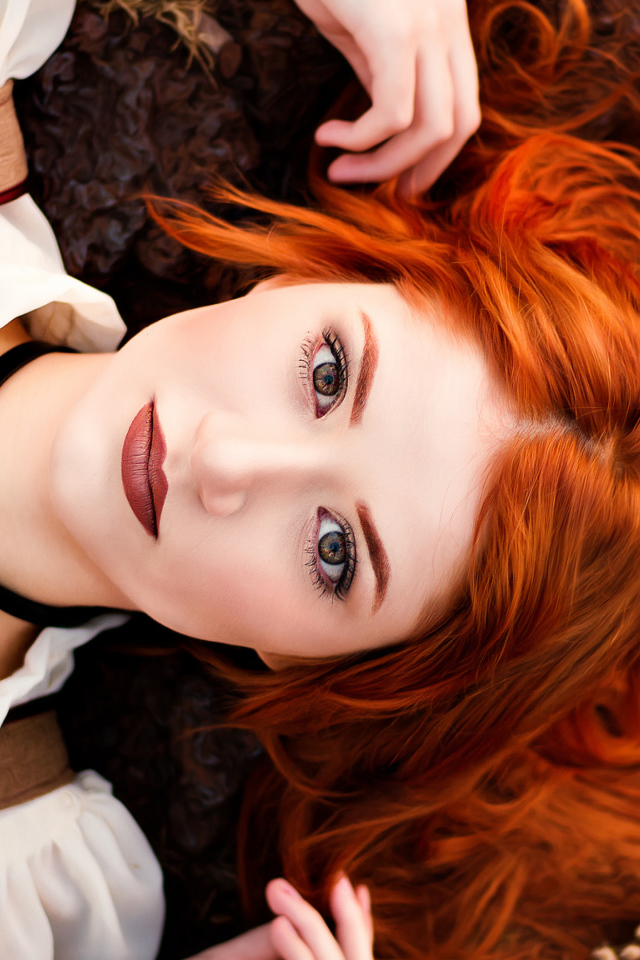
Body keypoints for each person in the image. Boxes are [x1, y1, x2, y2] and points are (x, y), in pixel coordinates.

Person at [2, 1, 640, 959]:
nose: (223, 461)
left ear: (310, 667)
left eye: (335, 552)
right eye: (329, 374)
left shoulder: (33, 895)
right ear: (304, 280)